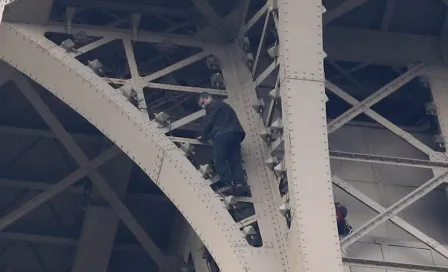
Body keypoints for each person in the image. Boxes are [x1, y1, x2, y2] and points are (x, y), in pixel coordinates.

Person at [197, 92, 247, 196]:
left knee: (219, 159)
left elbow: (210, 122)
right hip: (236, 134)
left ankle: (228, 184)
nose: (203, 106)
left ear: (209, 97)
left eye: (203, 102)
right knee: (235, 160)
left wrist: (203, 136)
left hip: (222, 134)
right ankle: (239, 184)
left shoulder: (213, 106)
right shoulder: (226, 106)